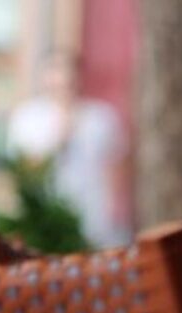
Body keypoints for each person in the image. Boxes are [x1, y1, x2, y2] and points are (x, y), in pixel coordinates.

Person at [8, 52, 129, 247]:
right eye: (56, 71)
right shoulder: (27, 118)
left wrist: (116, 211)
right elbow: (23, 170)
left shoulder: (101, 117)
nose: (63, 80)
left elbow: (117, 165)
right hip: (47, 218)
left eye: (69, 72)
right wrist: (56, 141)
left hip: (94, 217)